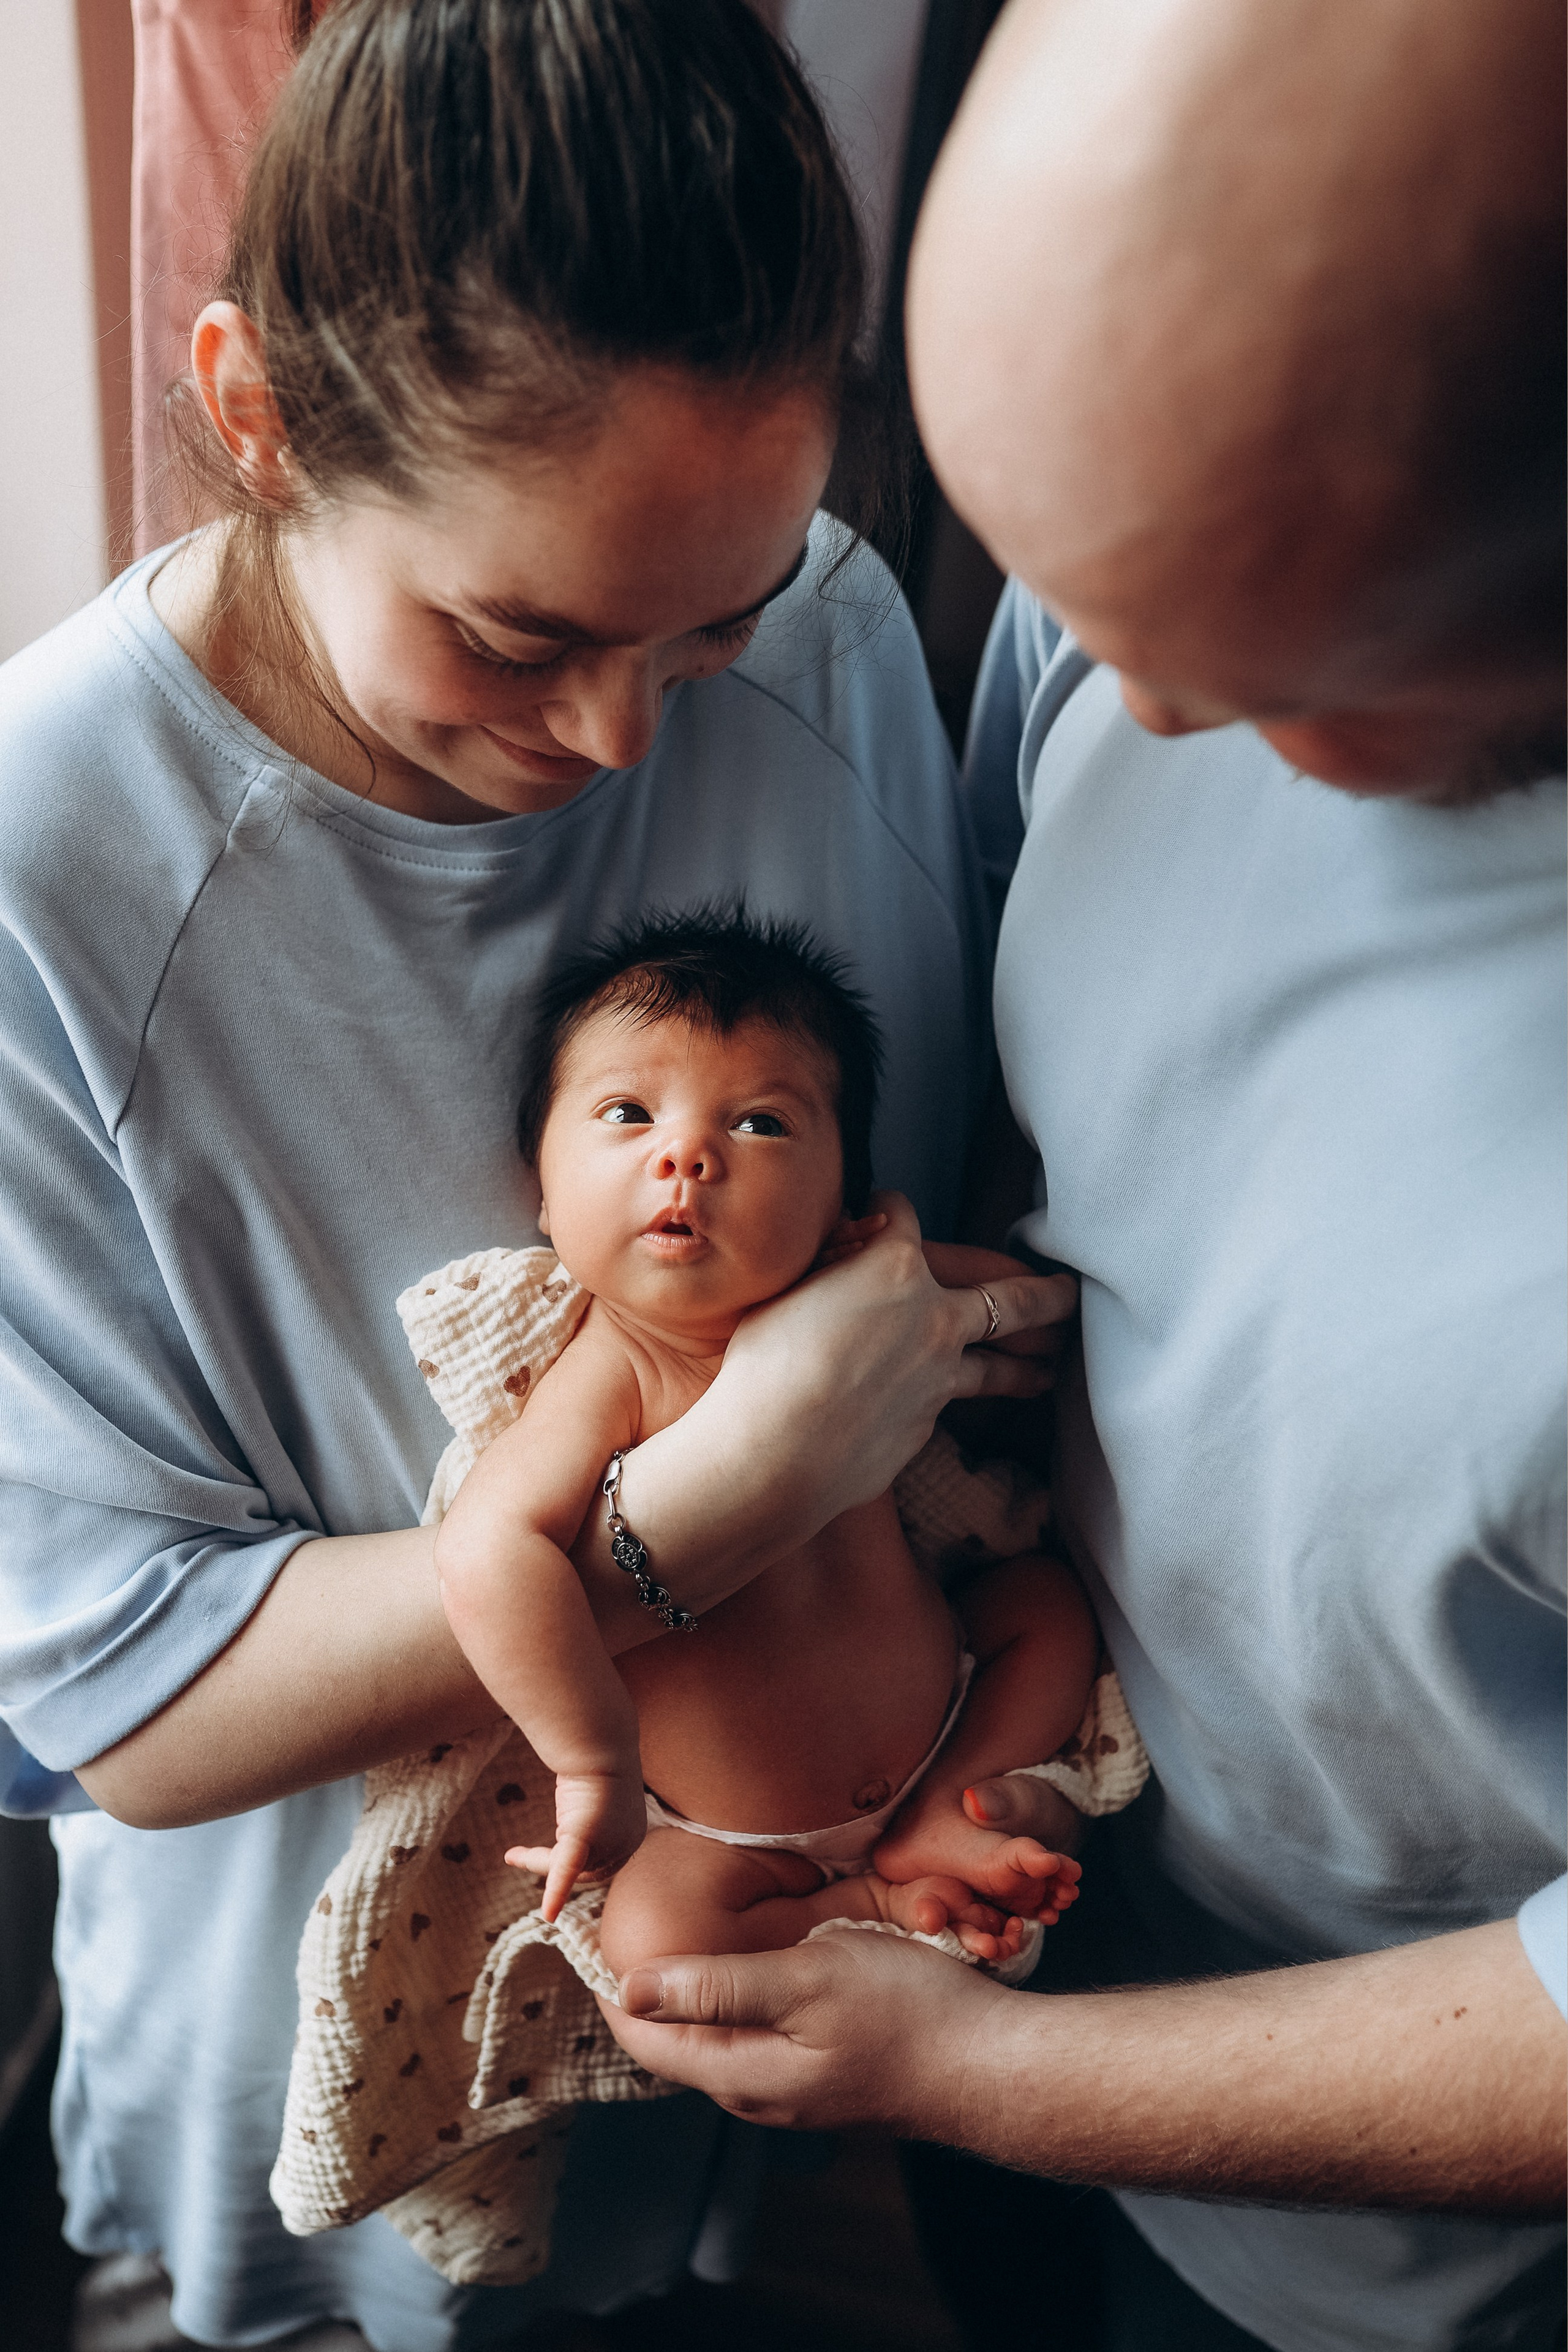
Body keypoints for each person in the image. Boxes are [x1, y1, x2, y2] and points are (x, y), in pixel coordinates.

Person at [0, 6, 1077, 2346]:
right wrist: (723, 1489)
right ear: (255, 410)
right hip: (317, 2164)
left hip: (765, 2051)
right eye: (519, 637)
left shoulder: (838, 633)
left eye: (710, 618)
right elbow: (128, 1702)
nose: (617, 739)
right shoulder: (45, 869)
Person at [601, 1, 1568, 2347]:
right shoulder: (1145, 572)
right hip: (1013, 1937)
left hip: (1393, 2256)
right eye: (1075, 597)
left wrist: (997, 2076)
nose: (1120, 704)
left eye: (1251, 662)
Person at [431, 910, 1091, 1964]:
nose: (686, 1153)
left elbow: (1031, 1300)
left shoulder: (858, 1293)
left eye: (761, 1125)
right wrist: (593, 1764)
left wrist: (1020, 1293)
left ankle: (945, 1817)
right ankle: (860, 1906)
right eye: (628, 1112)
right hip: (735, 1837)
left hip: (947, 1724)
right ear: (545, 1201)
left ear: (848, 1213)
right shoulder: (615, 1368)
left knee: (1047, 1610)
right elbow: (487, 1549)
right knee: (655, 1948)